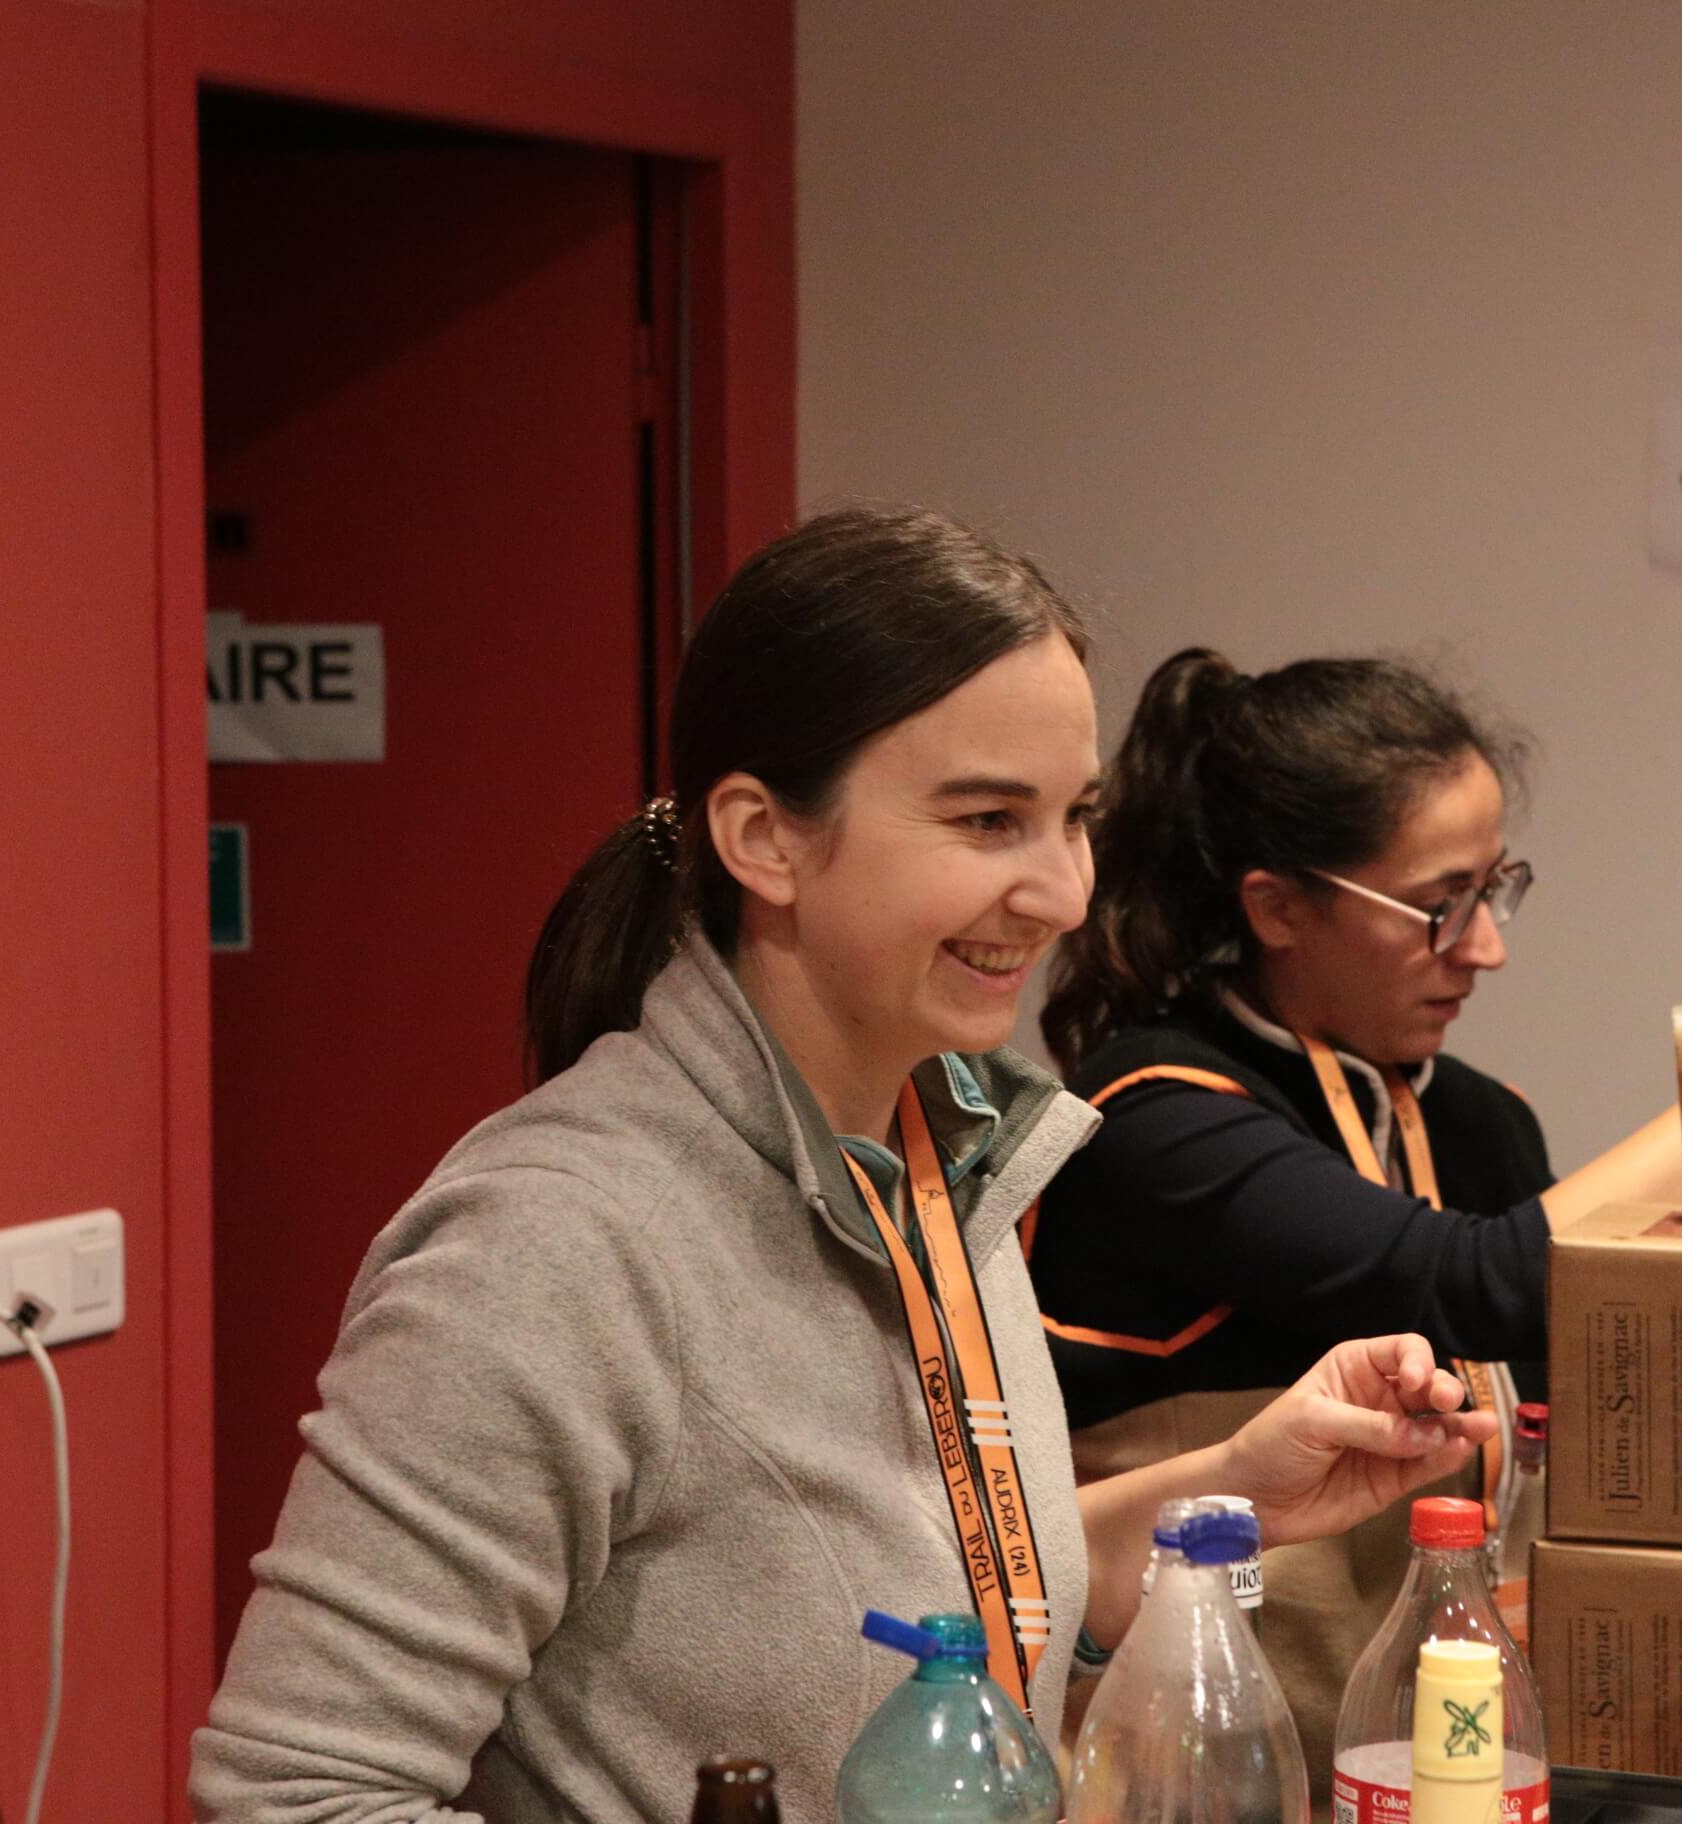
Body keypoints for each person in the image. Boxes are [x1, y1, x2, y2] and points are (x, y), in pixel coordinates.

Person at [192, 516, 1502, 1823]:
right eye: (987, 820)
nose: (1061, 894)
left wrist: (1231, 1487)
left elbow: (941, 1631)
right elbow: (291, 1797)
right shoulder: (554, 1245)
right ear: (764, 839)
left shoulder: (939, 1159)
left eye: (1075, 820)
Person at [1028, 647, 1682, 1787]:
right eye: (1439, 907)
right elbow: (1472, 1285)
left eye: (1494, 890)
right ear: (1276, 906)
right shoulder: (1155, 1113)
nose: (1486, 948)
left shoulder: (1477, 1116)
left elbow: (1595, 1357)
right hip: (1211, 1773)